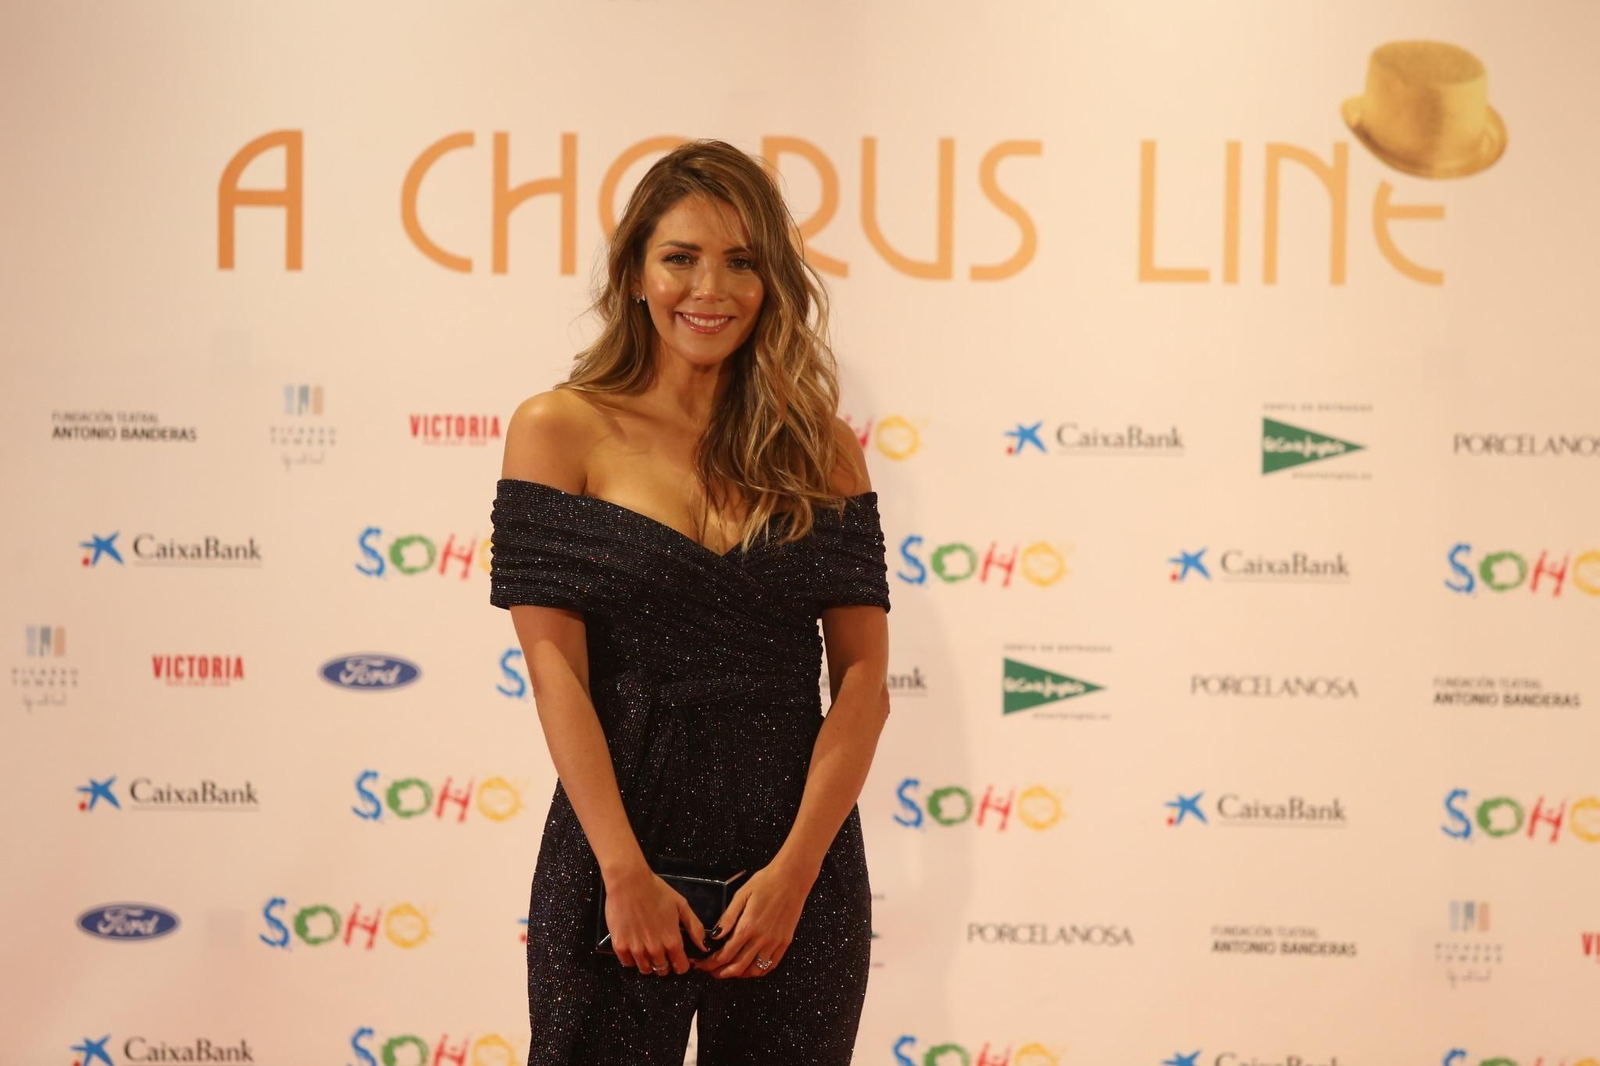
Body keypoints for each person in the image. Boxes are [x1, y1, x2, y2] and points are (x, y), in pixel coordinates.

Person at [489, 139, 893, 1065]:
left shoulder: (819, 448)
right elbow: (556, 674)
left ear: (774, 282)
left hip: (795, 867)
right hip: (619, 847)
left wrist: (797, 875)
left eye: (742, 261)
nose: (710, 288)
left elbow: (864, 678)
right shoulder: (559, 429)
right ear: (635, 272)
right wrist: (619, 871)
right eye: (681, 257)